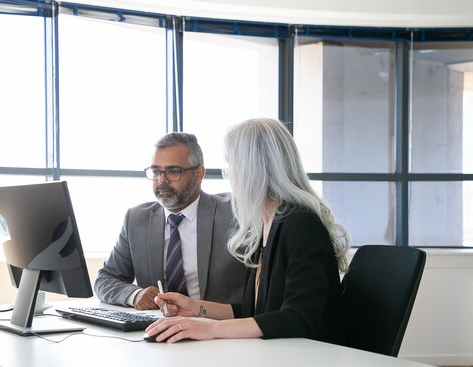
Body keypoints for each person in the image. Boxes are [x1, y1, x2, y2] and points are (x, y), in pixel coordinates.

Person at [145, 118, 351, 343]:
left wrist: (210, 330)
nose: (230, 175)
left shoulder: (301, 225)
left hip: (308, 359)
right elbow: (254, 311)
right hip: (279, 355)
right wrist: (196, 308)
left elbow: (298, 318)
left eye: (232, 165)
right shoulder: (263, 224)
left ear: (253, 169)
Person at [94, 132, 248, 310]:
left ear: (199, 174)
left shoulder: (235, 213)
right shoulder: (136, 219)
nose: (162, 181)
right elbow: (106, 279)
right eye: (156, 171)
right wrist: (134, 295)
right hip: (160, 329)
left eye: (174, 171)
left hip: (221, 329)